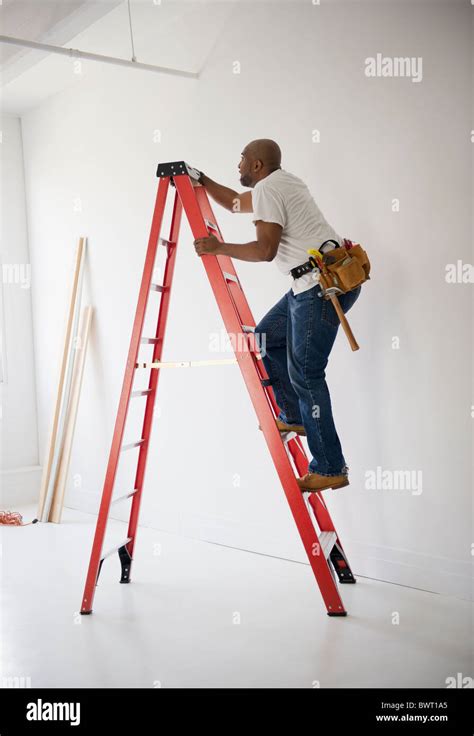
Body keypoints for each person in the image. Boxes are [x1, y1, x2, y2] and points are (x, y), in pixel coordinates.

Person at [193, 139, 361, 492]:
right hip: (320, 281)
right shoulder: (284, 182)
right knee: (268, 336)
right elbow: (237, 204)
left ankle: (331, 466)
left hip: (318, 288)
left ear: (257, 165)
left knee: (307, 375)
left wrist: (218, 247)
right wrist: (203, 181)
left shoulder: (270, 188)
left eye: (242, 160)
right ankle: (295, 416)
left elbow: (266, 251)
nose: (237, 165)